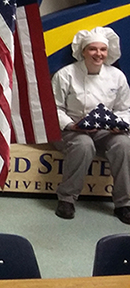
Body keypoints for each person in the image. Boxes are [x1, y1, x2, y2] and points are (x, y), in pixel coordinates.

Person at [51, 27, 130, 223]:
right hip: (70, 130)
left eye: (102, 49)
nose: (98, 54)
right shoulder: (65, 75)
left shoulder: (117, 77)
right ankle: (67, 199)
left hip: (104, 131)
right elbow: (53, 108)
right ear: (83, 51)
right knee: (83, 144)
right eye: (93, 49)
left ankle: (124, 203)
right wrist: (72, 125)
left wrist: (118, 124)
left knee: (123, 144)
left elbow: (125, 109)